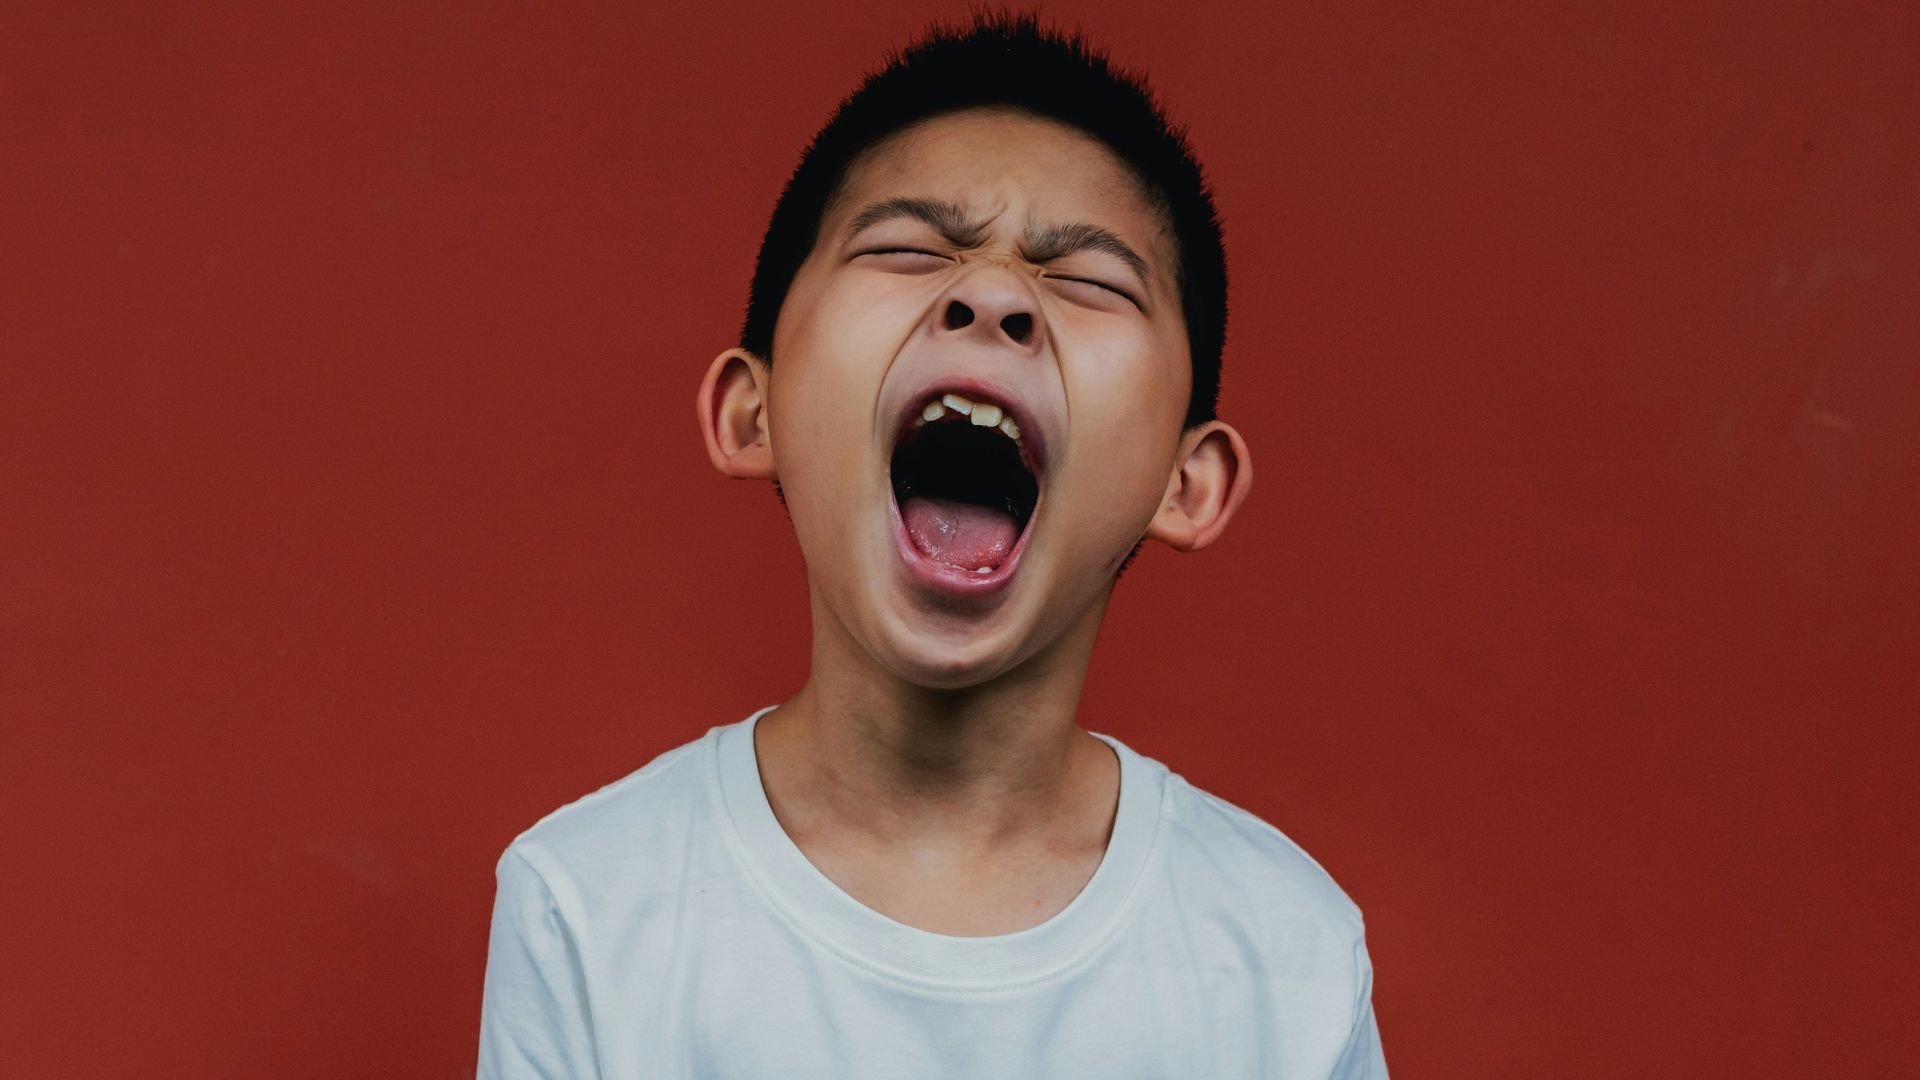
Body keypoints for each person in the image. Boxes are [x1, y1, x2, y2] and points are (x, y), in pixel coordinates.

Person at [476, 12, 1388, 1078]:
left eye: (1090, 281)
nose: (994, 295)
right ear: (750, 412)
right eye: (908, 251)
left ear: (1188, 484)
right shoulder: (587, 903)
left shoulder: (1286, 955)